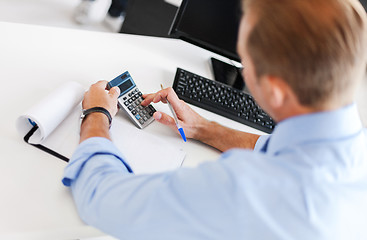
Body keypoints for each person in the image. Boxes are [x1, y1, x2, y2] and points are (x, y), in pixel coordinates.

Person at [62, 0, 367, 239]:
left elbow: (104, 200)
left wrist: (97, 115)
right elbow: (275, 147)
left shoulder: (244, 189)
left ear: (274, 90)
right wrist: (204, 128)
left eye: (246, 60)